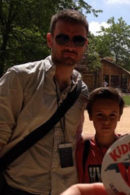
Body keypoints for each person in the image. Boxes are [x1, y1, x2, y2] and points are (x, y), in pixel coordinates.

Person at [0, 9, 89, 195]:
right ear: (50, 40)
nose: (70, 46)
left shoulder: (82, 91)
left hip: (65, 189)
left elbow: (75, 138)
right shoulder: (20, 78)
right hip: (20, 188)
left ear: (85, 44)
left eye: (78, 40)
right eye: (62, 38)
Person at [76, 87, 124, 183]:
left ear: (119, 116)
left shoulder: (128, 147)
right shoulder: (82, 149)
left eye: (112, 115)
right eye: (100, 115)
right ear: (90, 116)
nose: (106, 121)